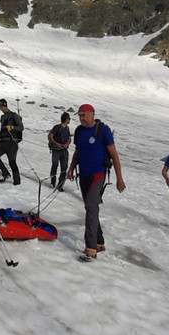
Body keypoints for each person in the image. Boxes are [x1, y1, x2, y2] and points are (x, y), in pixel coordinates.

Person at [66, 104, 125, 259]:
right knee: (91, 208)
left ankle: (91, 248)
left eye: (84, 115)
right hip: (83, 174)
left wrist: (120, 179)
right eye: (80, 115)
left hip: (98, 173)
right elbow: (78, 151)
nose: (81, 118)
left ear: (92, 114)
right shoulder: (79, 131)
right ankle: (99, 242)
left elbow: (114, 155)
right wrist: (71, 168)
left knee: (91, 205)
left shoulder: (102, 130)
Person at [0, 98, 24, 185]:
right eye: (0, 107)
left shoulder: (14, 115)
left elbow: (21, 127)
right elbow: (2, 130)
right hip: (3, 141)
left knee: (12, 161)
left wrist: (12, 127)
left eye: (2, 106)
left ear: (5, 105)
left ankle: (17, 181)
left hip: (11, 142)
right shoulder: (2, 117)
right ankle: (5, 172)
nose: (1, 108)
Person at [48, 112, 72, 190]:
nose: (69, 120)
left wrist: (67, 144)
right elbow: (50, 136)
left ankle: (60, 185)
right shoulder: (57, 127)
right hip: (56, 150)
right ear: (66, 119)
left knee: (64, 167)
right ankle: (53, 182)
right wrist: (56, 143)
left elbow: (69, 138)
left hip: (64, 150)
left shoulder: (67, 128)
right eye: (68, 118)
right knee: (55, 165)